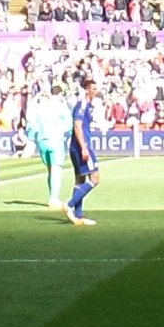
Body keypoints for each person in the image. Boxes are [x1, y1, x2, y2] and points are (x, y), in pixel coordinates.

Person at [27, 86, 72, 209]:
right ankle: (53, 198)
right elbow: (69, 124)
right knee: (56, 169)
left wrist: (32, 138)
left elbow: (31, 121)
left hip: (42, 139)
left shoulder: (40, 106)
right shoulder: (61, 106)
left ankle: (52, 196)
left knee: (49, 169)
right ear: (60, 94)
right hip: (55, 139)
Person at [63, 79, 100, 226]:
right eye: (94, 89)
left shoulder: (88, 105)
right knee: (95, 178)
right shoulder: (82, 105)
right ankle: (69, 205)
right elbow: (77, 126)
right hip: (81, 146)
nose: (96, 91)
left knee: (80, 179)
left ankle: (78, 216)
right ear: (87, 90)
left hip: (76, 146)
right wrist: (84, 148)